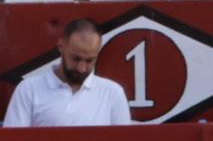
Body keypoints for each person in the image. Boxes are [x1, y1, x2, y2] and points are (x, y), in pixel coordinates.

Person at [3, 18, 131, 129]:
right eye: (76, 58)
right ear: (61, 47)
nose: (82, 68)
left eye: (89, 60)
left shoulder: (113, 93)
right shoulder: (28, 90)